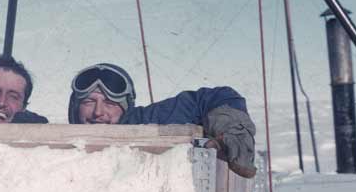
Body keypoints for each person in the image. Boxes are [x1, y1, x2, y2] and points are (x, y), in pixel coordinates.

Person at [67, 63, 257, 178]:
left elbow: (216, 97)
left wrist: (234, 130)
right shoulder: (56, 143)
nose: (98, 112)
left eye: (109, 103)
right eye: (89, 102)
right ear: (75, 106)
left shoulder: (140, 122)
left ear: (126, 107)